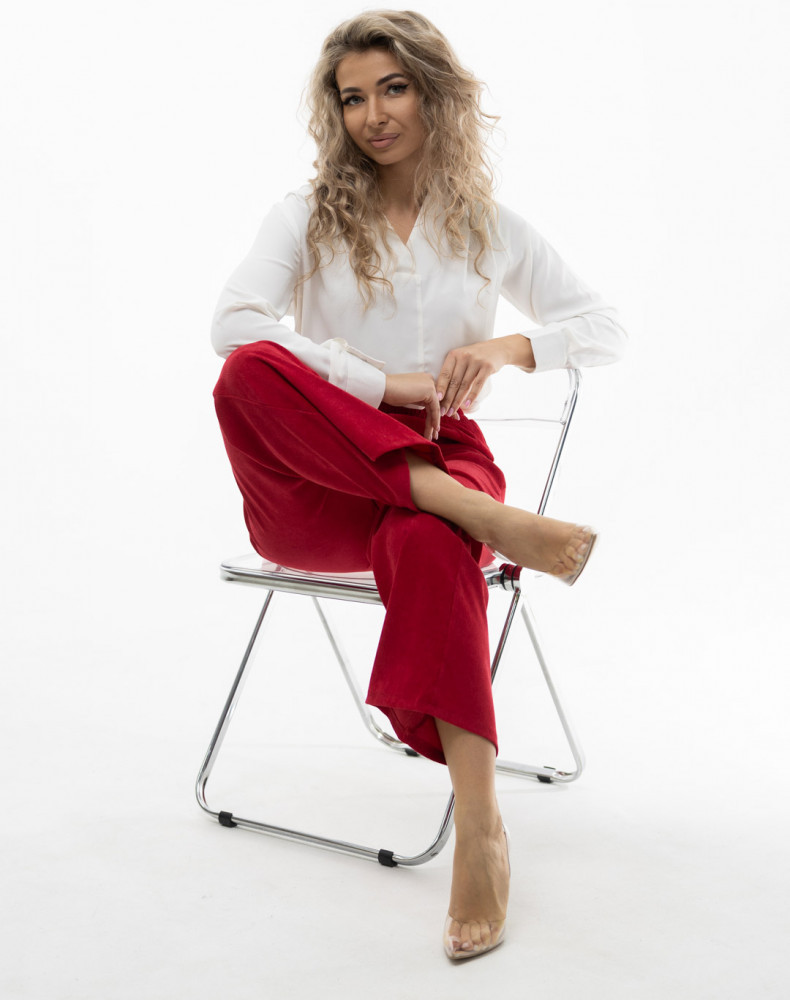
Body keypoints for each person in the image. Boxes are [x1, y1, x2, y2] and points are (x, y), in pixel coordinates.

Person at [210, 9, 626, 960]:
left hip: (442, 449)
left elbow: (606, 329)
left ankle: (479, 827)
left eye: (393, 88)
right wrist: (373, 382)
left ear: (436, 92)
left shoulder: (487, 225)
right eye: (353, 97)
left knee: (426, 538)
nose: (373, 115)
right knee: (247, 372)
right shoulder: (305, 213)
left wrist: (508, 347)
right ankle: (480, 515)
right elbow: (233, 323)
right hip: (318, 478)